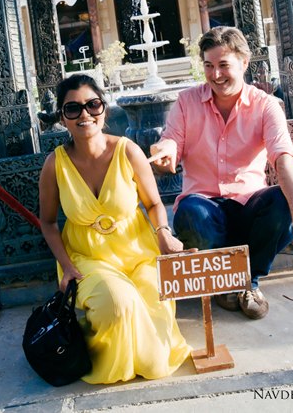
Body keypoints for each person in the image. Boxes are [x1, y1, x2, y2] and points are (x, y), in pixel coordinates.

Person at [149, 26, 293, 320]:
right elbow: (171, 141)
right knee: (190, 211)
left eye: (223, 65)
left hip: (249, 205)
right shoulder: (187, 102)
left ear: (244, 62)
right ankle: (224, 282)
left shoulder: (265, 105)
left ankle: (247, 283)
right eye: (208, 66)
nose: (215, 75)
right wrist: (164, 152)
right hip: (204, 207)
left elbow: (284, 160)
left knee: (284, 204)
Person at [38, 74, 191, 385]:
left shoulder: (128, 150)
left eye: (92, 105)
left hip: (138, 252)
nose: (84, 115)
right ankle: (104, 357)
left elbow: (153, 204)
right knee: (118, 303)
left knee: (151, 298)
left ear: (103, 111)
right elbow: (48, 221)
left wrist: (163, 232)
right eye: (73, 109)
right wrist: (66, 267)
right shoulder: (55, 164)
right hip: (87, 258)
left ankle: (146, 356)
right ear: (63, 119)